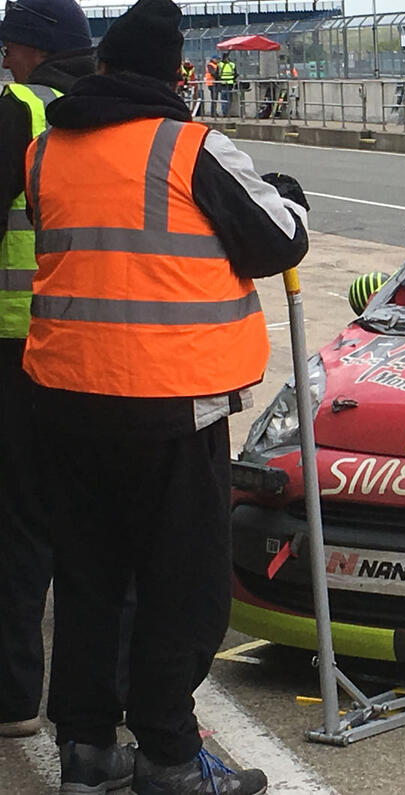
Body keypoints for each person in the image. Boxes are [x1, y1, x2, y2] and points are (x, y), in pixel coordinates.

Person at [24, 0, 309, 792]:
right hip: (170, 405)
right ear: (174, 78)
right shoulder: (191, 147)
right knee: (182, 587)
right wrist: (287, 195)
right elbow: (280, 238)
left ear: (103, 66)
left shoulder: (46, 151)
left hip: (67, 399)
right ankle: (172, 757)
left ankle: (85, 752)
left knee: (88, 580)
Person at [0, 0, 94, 744]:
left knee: (20, 521)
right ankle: (95, 719)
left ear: (35, 48)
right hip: (97, 347)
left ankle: (13, 695)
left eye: (11, 45)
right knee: (93, 529)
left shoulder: (18, 113)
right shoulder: (115, 117)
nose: (5, 58)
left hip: (15, 341)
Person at [217, 50, 237, 116]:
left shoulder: (220, 64)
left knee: (224, 100)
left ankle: (225, 113)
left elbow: (217, 74)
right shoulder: (232, 64)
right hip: (230, 84)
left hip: (223, 83)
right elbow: (235, 74)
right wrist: (233, 80)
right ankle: (227, 113)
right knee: (229, 99)